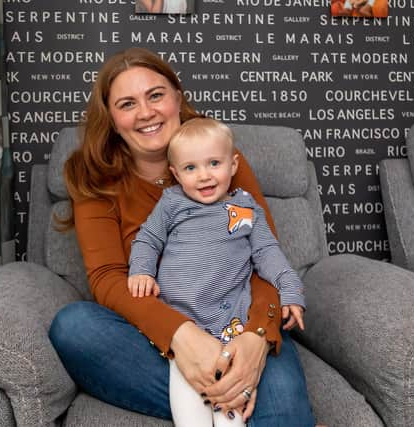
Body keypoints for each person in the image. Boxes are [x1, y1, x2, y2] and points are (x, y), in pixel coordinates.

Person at [48, 47, 315, 426]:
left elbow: (263, 253)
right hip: (152, 334)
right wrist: (181, 336)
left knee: (284, 416)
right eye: (127, 103)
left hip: (235, 323)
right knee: (73, 327)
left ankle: (223, 390)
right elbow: (107, 278)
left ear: (177, 95)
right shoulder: (93, 175)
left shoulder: (218, 156)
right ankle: (225, 395)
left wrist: (255, 337)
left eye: (155, 95)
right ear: (111, 117)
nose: (145, 112)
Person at [127, 117, 307, 427]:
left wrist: (290, 287)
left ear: (233, 164)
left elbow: (267, 253)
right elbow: (148, 239)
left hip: (231, 326)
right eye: (190, 168)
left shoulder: (244, 209)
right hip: (183, 330)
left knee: (230, 411)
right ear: (175, 175)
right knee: (189, 412)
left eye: (214, 163)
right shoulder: (172, 203)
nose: (204, 176)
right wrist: (141, 270)